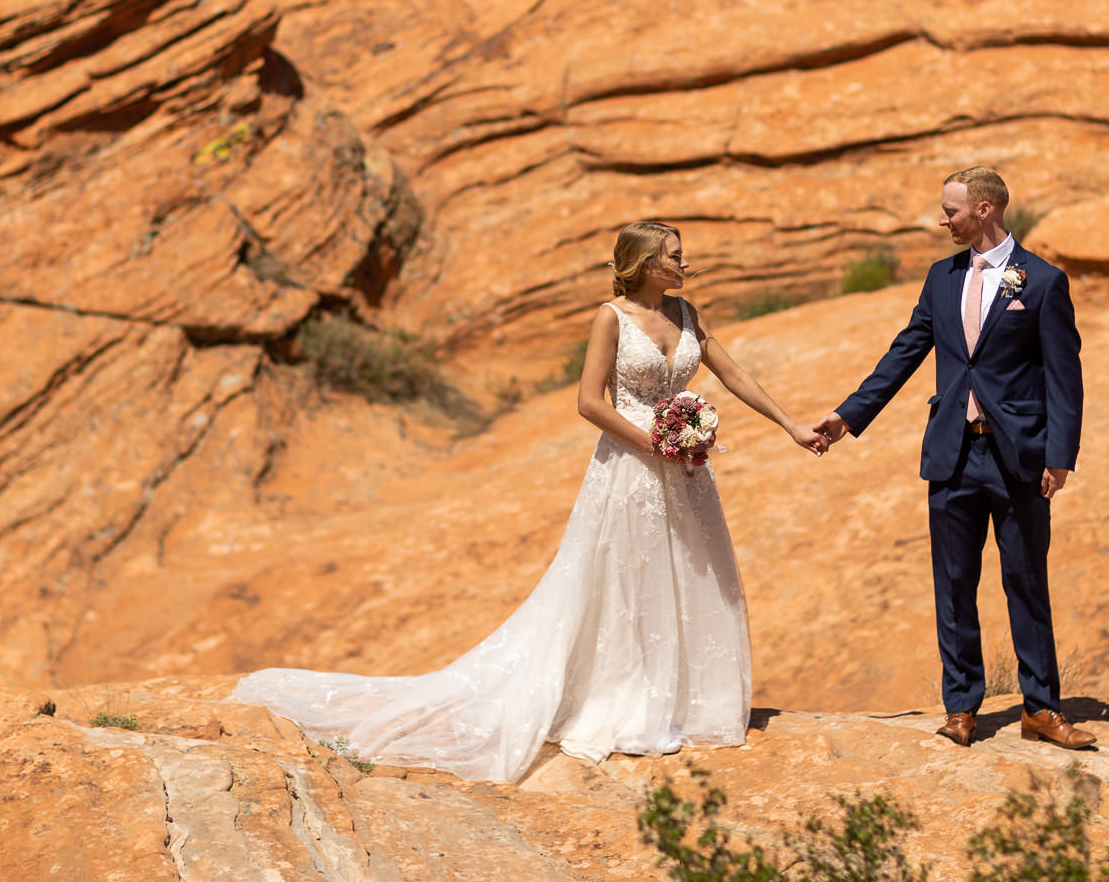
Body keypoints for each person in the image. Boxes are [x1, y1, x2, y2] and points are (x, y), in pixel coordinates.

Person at [229, 220, 825, 782]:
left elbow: (734, 374)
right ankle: (624, 703)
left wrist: (791, 425)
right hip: (632, 467)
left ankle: (684, 702)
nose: (685, 263)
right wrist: (654, 443)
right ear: (644, 265)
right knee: (626, 580)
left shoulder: (687, 312)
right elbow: (590, 402)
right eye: (675, 256)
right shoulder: (610, 318)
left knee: (693, 574)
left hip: (685, 468)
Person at [810, 167, 1095, 751]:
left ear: (984, 209)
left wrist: (1060, 455)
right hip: (952, 454)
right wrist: (848, 416)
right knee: (954, 583)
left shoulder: (1040, 281)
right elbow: (906, 351)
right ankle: (961, 707)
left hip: (1019, 454)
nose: (942, 219)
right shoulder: (941, 279)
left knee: (1026, 582)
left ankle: (1040, 708)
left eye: (951, 210)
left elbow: (1065, 376)